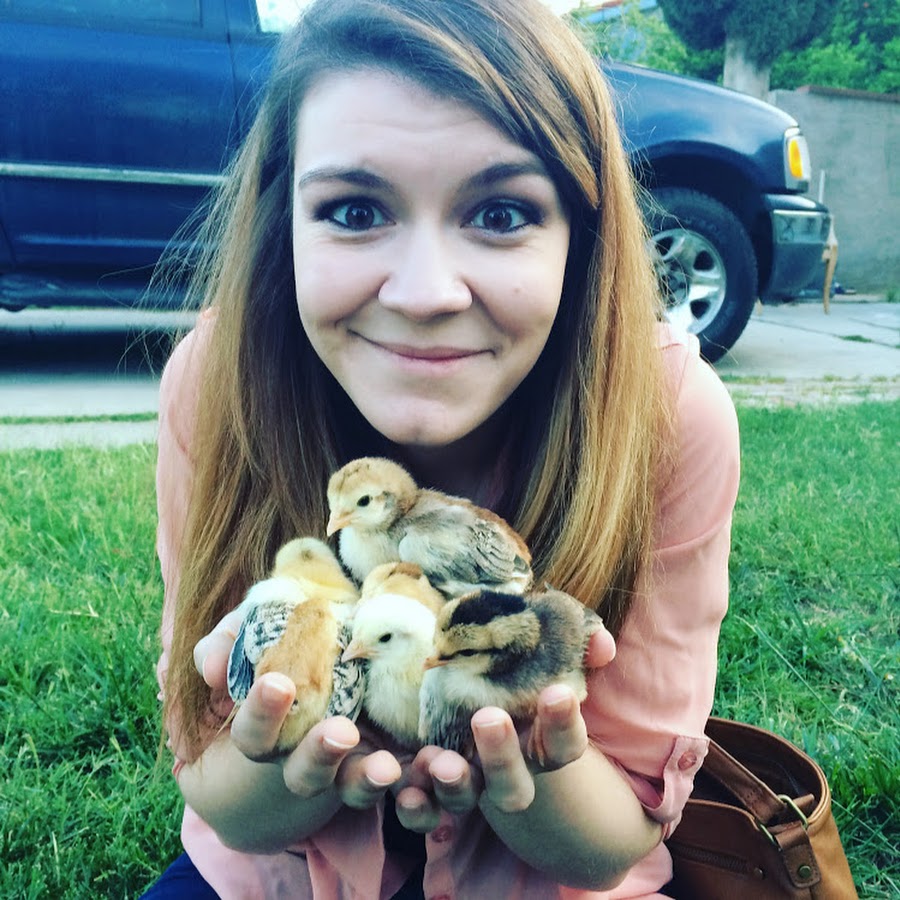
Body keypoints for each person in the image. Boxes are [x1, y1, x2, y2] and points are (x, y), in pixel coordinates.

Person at [145, 0, 740, 897]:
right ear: (282, 219)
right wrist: (287, 756)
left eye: (501, 213)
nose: (425, 293)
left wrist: (521, 761)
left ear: (581, 239)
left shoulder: (670, 413)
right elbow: (225, 801)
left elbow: (610, 841)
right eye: (354, 209)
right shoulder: (216, 381)